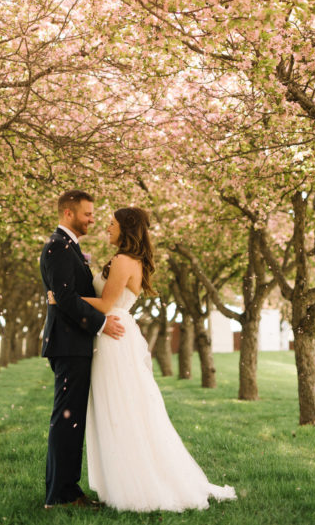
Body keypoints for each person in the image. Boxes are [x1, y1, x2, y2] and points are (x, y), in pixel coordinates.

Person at [48, 206, 237, 512]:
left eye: (111, 224)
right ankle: (119, 481)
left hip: (114, 336)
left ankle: (137, 485)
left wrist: (63, 297)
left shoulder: (124, 260)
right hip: (111, 336)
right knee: (116, 410)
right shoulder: (124, 259)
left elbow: (107, 303)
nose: (106, 228)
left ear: (126, 228)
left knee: (122, 411)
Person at [40, 190, 125, 510]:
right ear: (67, 214)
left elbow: (66, 296)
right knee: (67, 419)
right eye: (87, 214)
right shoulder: (59, 247)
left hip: (71, 343)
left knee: (69, 418)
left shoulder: (68, 247)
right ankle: (63, 495)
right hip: (69, 343)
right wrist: (102, 324)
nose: (92, 219)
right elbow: (64, 298)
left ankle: (59, 491)